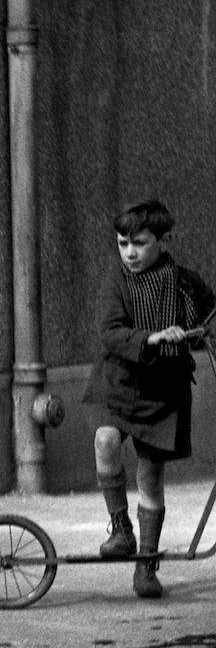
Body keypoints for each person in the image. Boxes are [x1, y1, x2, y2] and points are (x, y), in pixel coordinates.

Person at [83, 197, 216, 600]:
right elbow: (109, 331)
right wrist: (152, 337)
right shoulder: (116, 281)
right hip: (119, 381)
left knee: (150, 477)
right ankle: (121, 528)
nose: (129, 252)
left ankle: (146, 564)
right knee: (105, 440)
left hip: (163, 391)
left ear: (164, 240)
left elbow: (209, 319)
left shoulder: (185, 282)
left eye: (139, 243)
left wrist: (199, 333)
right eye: (123, 243)